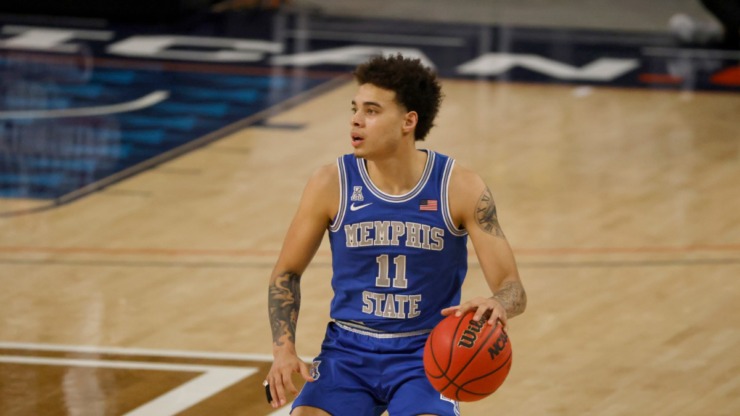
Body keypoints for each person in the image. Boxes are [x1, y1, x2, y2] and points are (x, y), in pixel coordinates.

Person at [265, 54, 527, 415]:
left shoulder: (460, 187)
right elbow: (286, 274)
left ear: (408, 121)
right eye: (355, 108)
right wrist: (283, 349)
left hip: (427, 357)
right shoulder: (330, 183)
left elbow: (512, 286)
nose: (356, 120)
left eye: (371, 111)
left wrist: (499, 303)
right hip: (347, 353)